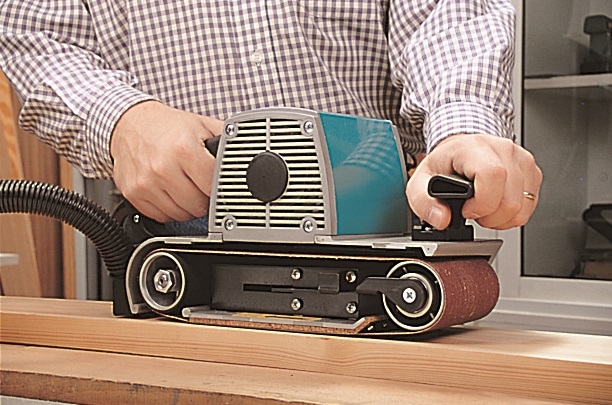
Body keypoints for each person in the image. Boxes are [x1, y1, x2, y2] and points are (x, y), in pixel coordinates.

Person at [0, 0, 542, 232]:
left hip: (381, 227)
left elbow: (446, 14)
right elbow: (35, 32)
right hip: (184, 234)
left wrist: (462, 125)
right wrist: (121, 119)